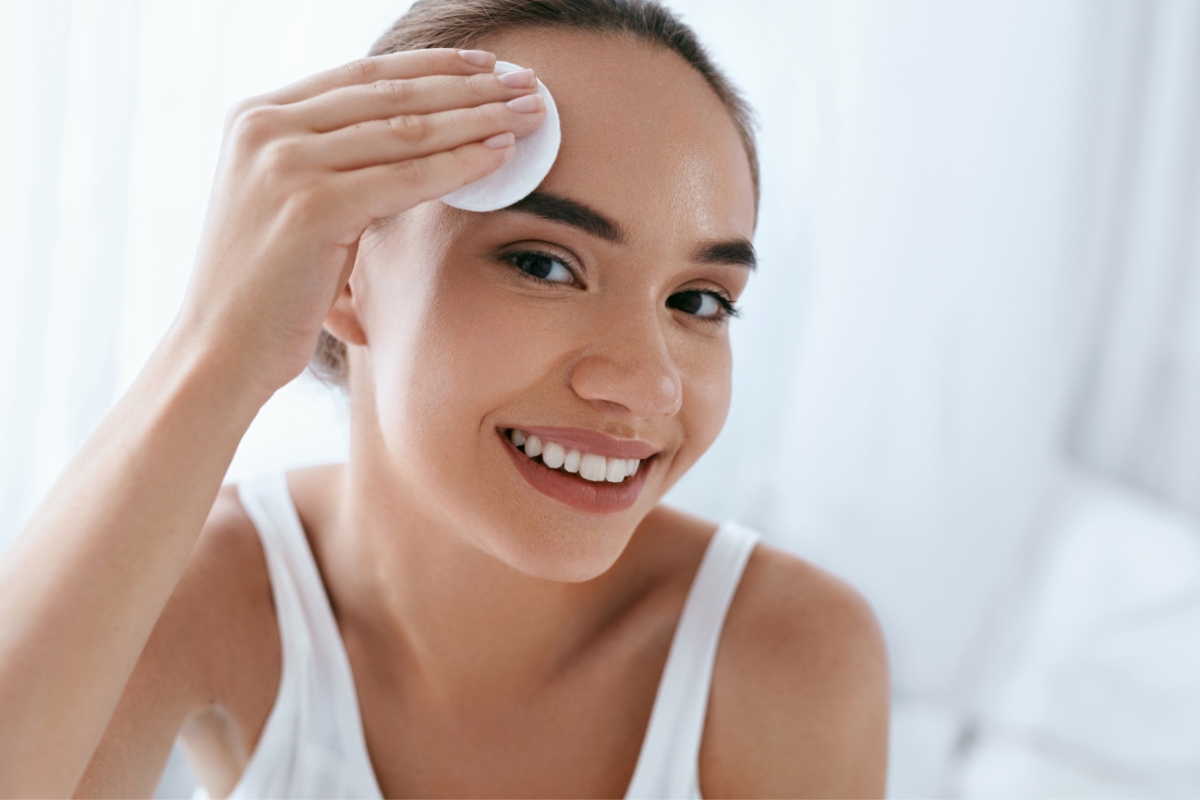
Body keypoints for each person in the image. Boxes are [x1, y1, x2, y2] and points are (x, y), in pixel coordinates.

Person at [0, 0, 889, 796]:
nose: (649, 385)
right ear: (344, 271)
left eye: (699, 300)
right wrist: (214, 346)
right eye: (544, 264)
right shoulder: (203, 592)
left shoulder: (784, 654)